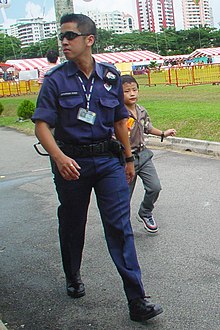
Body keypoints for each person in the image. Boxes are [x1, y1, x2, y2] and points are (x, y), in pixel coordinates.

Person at [32, 13, 163, 322]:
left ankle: (137, 299)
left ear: (88, 40)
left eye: (70, 36)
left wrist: (129, 159)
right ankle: (73, 275)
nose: (63, 41)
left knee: (119, 228)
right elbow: (41, 126)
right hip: (71, 163)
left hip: (108, 162)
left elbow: (120, 120)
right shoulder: (55, 80)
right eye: (61, 36)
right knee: (73, 223)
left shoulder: (110, 76)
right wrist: (59, 158)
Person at [121, 74, 176, 233]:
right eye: (126, 91)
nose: (132, 94)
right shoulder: (117, 113)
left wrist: (163, 133)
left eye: (134, 90)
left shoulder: (141, 110)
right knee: (124, 195)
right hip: (125, 159)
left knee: (155, 187)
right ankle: (121, 226)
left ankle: (145, 212)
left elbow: (148, 128)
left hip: (143, 156)